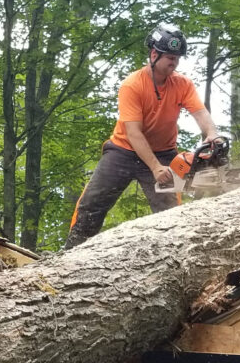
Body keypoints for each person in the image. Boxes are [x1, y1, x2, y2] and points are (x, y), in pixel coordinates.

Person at [62, 24, 225, 249]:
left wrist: (212, 134)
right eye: (169, 57)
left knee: (171, 212)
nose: (174, 63)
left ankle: (176, 254)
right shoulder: (133, 85)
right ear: (154, 54)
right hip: (123, 152)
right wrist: (155, 168)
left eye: (177, 58)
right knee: (92, 204)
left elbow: (200, 112)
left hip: (164, 151)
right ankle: (70, 252)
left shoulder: (182, 84)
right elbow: (133, 133)